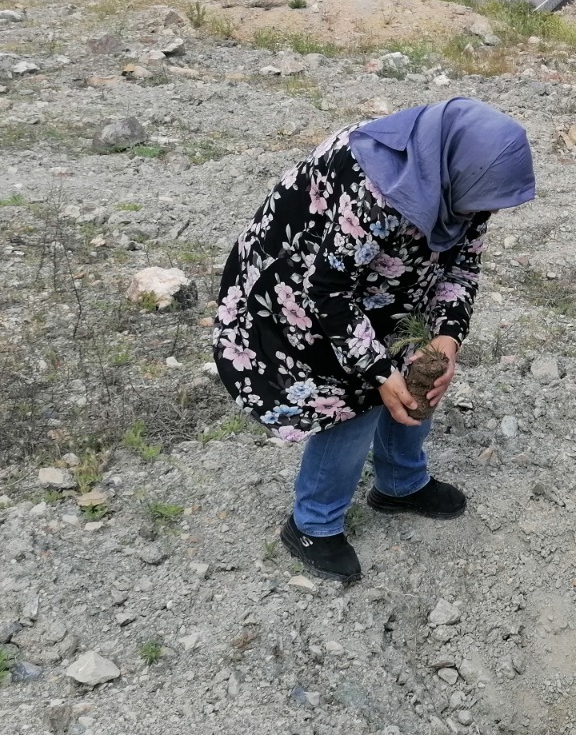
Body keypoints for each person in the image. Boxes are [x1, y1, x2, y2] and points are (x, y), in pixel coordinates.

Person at [212, 97, 536, 583]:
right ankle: (312, 525)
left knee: (419, 371)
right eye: (483, 200)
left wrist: (447, 337)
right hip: (300, 284)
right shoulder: (377, 189)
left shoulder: (461, 176)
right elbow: (327, 290)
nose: (486, 212)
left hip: (381, 283)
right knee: (353, 394)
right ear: (456, 172)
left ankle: (401, 485)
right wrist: (378, 372)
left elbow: (463, 266)